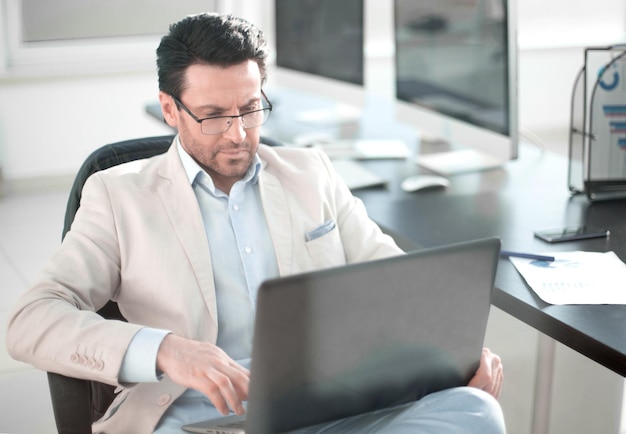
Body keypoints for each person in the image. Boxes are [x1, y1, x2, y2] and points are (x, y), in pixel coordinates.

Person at [6, 12, 505, 434]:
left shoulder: (312, 172)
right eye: (214, 115)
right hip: (198, 414)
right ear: (169, 111)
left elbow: (398, 281)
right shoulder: (118, 196)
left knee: (476, 411)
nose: (238, 133)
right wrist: (166, 350)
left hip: (334, 403)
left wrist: (452, 348)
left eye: (250, 108)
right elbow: (31, 320)